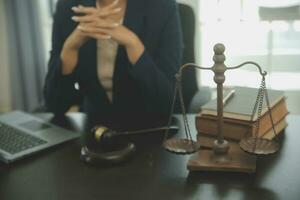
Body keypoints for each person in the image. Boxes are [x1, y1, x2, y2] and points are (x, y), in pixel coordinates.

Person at [44, 0, 183, 131]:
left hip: (151, 130)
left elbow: (169, 103)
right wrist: (70, 48)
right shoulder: (69, 7)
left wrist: (133, 44)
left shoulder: (161, 7)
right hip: (95, 130)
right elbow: (54, 105)